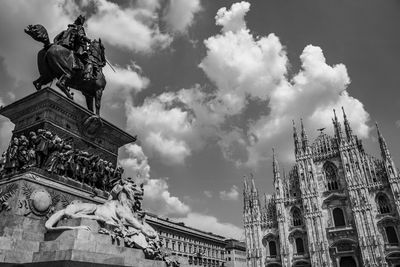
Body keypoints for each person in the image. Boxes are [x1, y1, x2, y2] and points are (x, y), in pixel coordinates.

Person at [54, 15, 92, 79]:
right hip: (76, 47)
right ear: (81, 22)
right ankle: (82, 71)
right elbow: (81, 35)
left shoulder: (69, 28)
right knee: (87, 60)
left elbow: (56, 38)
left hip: (64, 44)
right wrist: (88, 39)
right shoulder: (80, 27)